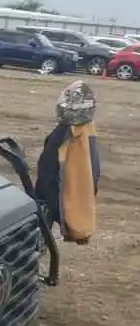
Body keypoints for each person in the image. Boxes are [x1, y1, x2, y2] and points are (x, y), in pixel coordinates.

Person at [33, 80, 102, 244]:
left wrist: (58, 212)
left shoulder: (66, 136)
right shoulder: (86, 131)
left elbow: (49, 174)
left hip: (48, 204)